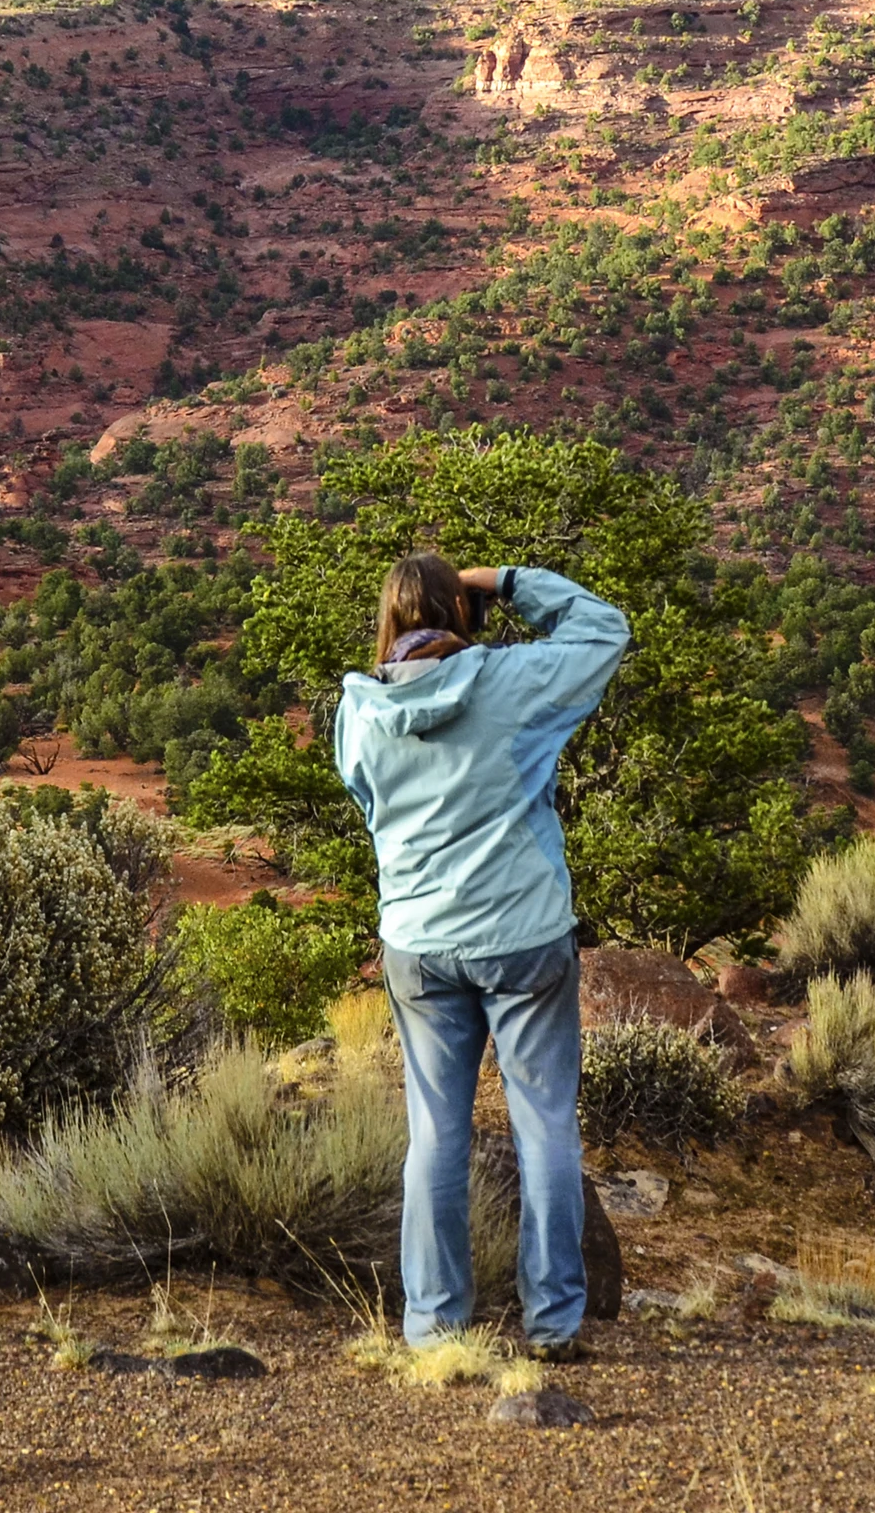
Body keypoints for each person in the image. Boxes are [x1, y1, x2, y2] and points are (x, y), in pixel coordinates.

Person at [333, 551, 630, 1354]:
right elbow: (606, 629)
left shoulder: (358, 710)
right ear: (462, 614)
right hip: (524, 936)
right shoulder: (516, 680)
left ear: (389, 623)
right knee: (545, 1129)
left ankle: (434, 1326)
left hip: (420, 941)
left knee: (435, 1133)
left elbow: (369, 805)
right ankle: (553, 1323)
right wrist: (504, 580)